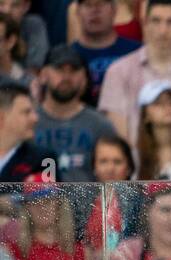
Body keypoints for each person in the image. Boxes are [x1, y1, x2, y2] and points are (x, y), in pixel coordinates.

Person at [98, 0, 171, 144]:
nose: (163, 30)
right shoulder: (118, 72)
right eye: (156, 21)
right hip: (133, 163)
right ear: (145, 22)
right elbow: (118, 137)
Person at [34, 45, 115, 183]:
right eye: (59, 69)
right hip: (36, 203)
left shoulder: (101, 126)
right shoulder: (28, 122)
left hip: (88, 203)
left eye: (74, 70)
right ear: (43, 75)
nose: (66, 77)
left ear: (84, 77)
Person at [0, 80, 54, 182]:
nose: (35, 118)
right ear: (1, 118)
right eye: (26, 112)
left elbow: (50, 196)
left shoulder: (44, 160)